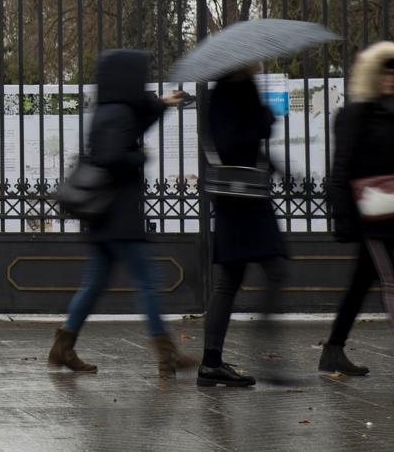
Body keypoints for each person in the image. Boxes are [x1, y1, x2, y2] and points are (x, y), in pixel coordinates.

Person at [48, 49, 198, 378]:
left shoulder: (111, 109)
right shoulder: (117, 115)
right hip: (121, 217)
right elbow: (114, 157)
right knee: (148, 283)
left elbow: (139, 117)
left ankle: (63, 347)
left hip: (105, 217)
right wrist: (140, 157)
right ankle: (167, 356)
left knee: (94, 284)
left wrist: (163, 103)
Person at [196, 65, 288, 388]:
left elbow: (252, 148)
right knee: (268, 270)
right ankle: (254, 346)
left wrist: (278, 167)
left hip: (248, 197)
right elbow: (233, 144)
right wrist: (264, 120)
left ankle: (212, 363)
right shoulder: (222, 94)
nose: (260, 64)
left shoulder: (244, 88)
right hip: (239, 201)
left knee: (232, 279)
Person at [323, 42, 394, 375]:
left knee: (361, 282)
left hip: (391, 212)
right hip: (371, 216)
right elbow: (340, 171)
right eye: (385, 72)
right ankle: (333, 350)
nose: (390, 79)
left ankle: (333, 350)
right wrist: (344, 218)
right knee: (390, 279)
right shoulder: (354, 115)